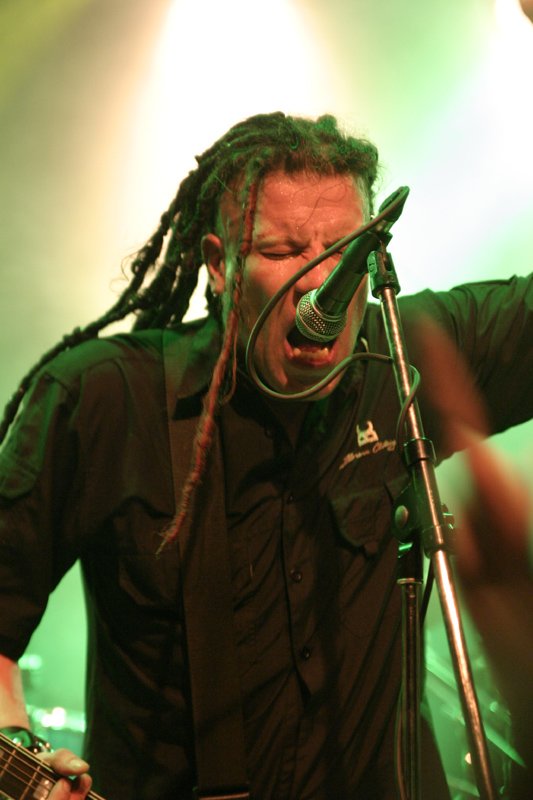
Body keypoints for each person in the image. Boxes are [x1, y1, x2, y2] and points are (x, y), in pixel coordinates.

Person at [0, 112, 531, 800]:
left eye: (345, 250)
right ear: (219, 264)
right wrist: (16, 746)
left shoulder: (404, 356)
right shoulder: (105, 399)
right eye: (283, 250)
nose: (321, 283)